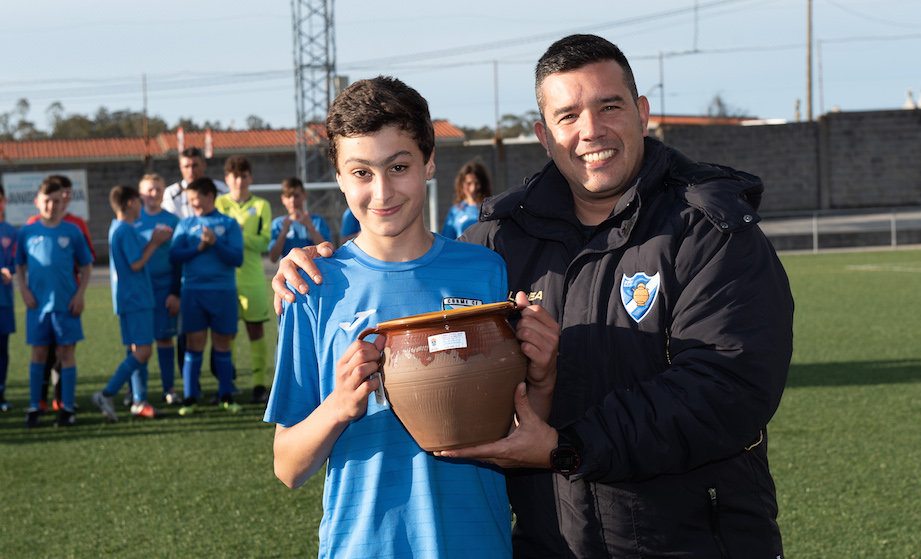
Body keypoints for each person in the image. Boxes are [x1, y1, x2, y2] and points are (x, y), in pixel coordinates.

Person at [272, 34, 794, 557]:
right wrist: (306, 266)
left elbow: (727, 385)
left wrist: (566, 445)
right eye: (568, 115)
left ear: (642, 112)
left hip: (687, 541)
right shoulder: (500, 243)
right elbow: (512, 404)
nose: (590, 130)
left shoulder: (708, 229)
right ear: (545, 135)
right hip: (555, 542)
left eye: (608, 106)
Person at [264, 75, 559, 559]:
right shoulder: (311, 287)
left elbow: (515, 429)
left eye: (398, 166)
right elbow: (288, 466)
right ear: (337, 177)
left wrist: (544, 377)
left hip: (476, 542)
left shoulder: (484, 270)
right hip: (363, 546)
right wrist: (339, 405)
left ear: (429, 163)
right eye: (361, 172)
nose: (381, 191)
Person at [16, 178, 93, 428]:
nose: (51, 205)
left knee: (66, 354)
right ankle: (34, 406)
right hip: (37, 307)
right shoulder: (27, 231)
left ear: (64, 203)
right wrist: (24, 290)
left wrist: (80, 294)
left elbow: (86, 264)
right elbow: (19, 264)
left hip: (66, 305)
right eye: (47, 201)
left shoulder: (72, 231)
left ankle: (67, 408)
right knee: (38, 353)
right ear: (37, 202)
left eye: (56, 201)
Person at [91, 185, 172, 421]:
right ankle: (107, 393)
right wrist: (156, 242)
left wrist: (152, 241)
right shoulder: (124, 230)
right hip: (136, 299)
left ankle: (139, 401)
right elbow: (136, 264)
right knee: (144, 351)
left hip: (131, 298)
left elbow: (134, 260)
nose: (142, 205)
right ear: (129, 203)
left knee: (138, 351)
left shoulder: (120, 228)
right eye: (139, 200)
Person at [169, 177, 243, 415]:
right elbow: (174, 255)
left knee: (222, 344)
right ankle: (190, 398)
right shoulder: (185, 224)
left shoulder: (229, 224)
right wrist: (198, 248)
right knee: (194, 344)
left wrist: (215, 243)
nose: (192, 204)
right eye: (189, 200)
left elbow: (237, 258)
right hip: (193, 293)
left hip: (223, 292)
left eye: (195, 199)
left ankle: (226, 395)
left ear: (209, 196)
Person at [214, 155, 272, 404]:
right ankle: (229, 384)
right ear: (227, 179)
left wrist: (239, 237)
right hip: (226, 279)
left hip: (253, 279)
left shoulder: (261, 206)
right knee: (226, 334)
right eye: (234, 176)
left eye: (244, 175)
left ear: (250, 178)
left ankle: (259, 385)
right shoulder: (218, 203)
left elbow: (264, 242)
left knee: (256, 330)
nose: (239, 180)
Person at [135, 174, 182, 405]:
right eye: (149, 190)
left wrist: (175, 292)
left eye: (158, 189)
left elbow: (177, 260)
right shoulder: (132, 219)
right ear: (140, 193)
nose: (153, 194)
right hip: (138, 290)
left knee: (164, 340)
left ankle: (169, 388)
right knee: (136, 342)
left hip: (164, 289)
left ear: (164, 193)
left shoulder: (173, 220)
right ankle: (135, 391)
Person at [268, 177, 331, 263]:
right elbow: (273, 258)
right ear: (283, 199)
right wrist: (283, 232)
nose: (292, 200)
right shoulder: (278, 224)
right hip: (290, 274)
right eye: (288, 196)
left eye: (296, 196)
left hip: (316, 272)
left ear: (304, 196)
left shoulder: (317, 221)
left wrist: (310, 228)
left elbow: (328, 251)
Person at [440, 158, 492, 239]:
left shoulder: (490, 209)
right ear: (461, 184)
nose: (473, 188)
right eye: (469, 183)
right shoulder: (455, 212)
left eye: (477, 183)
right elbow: (447, 240)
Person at [0, 184, 16, 412]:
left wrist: (11, 270)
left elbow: (17, 264)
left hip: (4, 302)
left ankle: (1, 394)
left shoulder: (12, 232)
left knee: (2, 350)